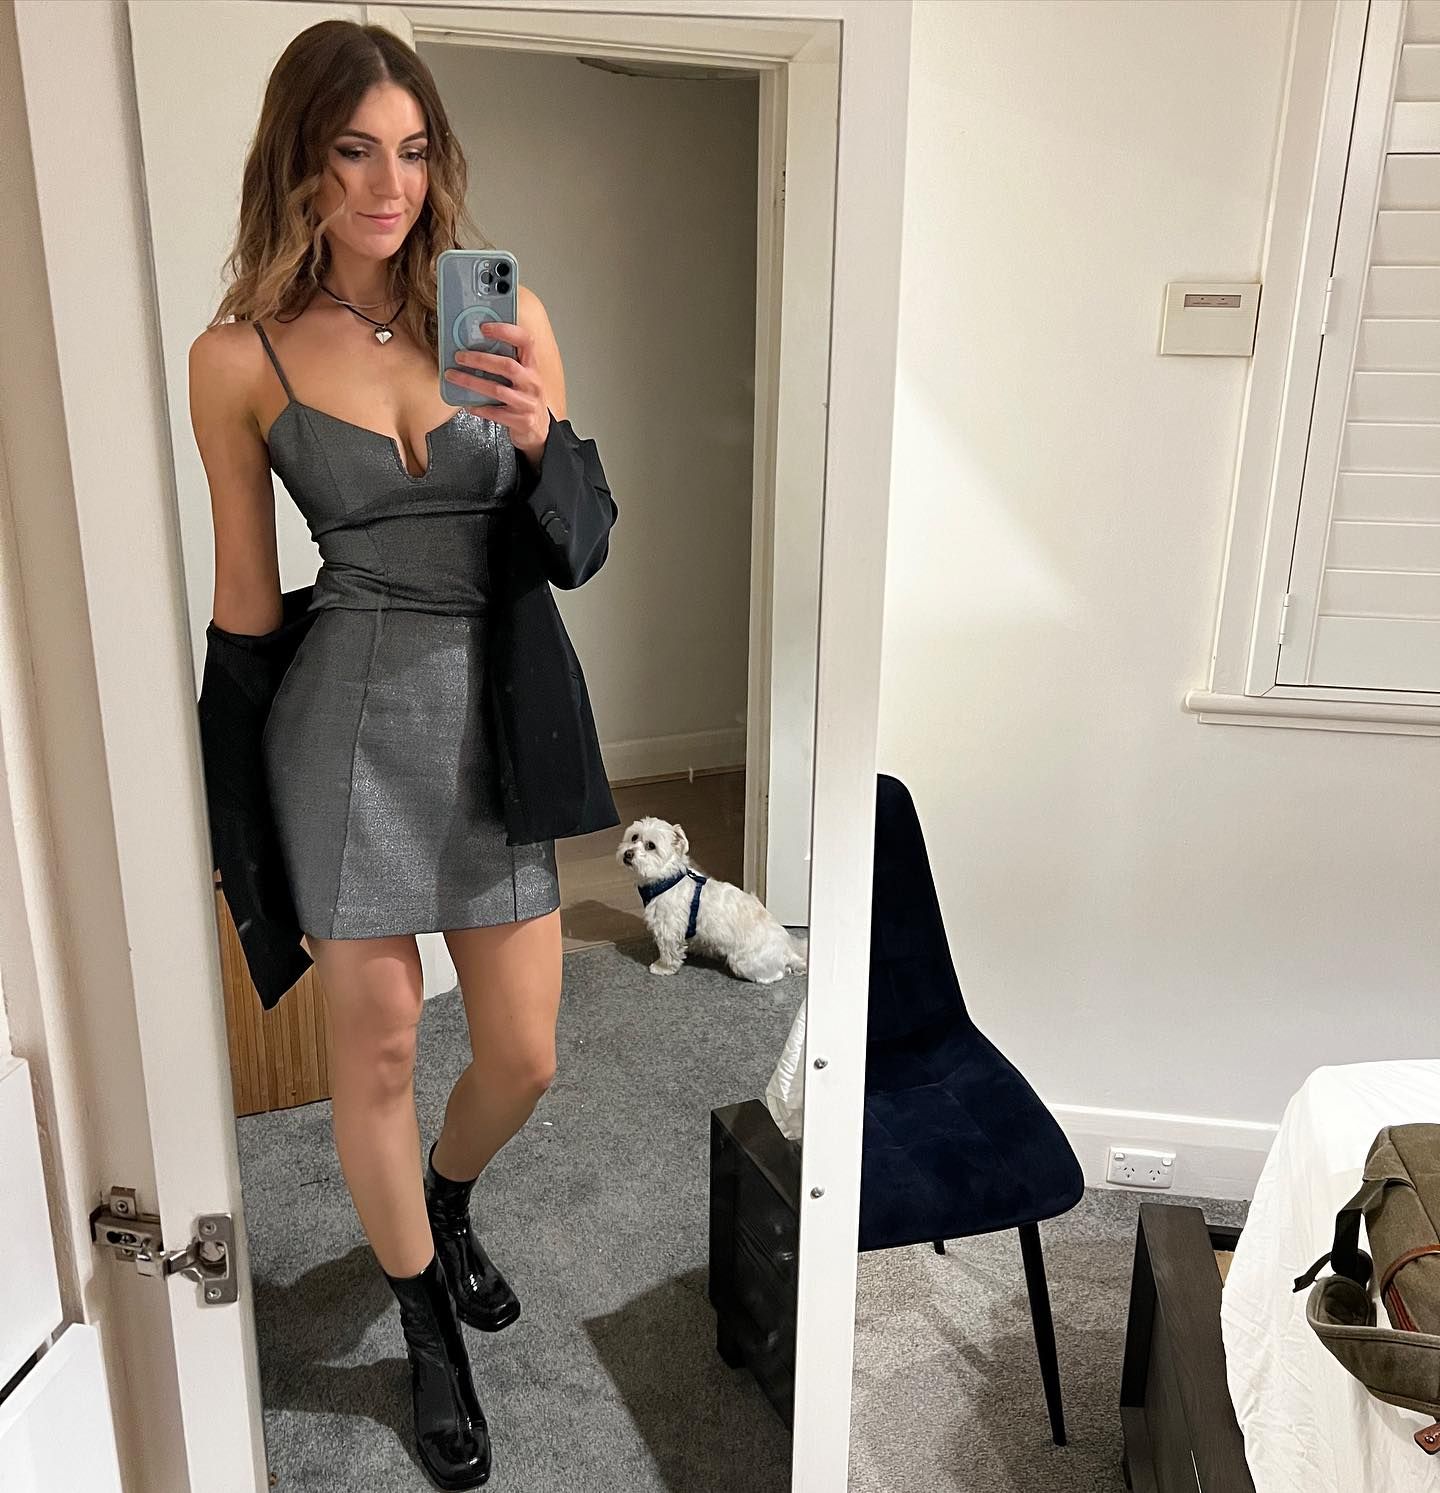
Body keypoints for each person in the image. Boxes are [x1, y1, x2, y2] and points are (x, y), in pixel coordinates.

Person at [188, 20, 616, 1490]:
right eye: (356, 150)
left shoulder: (504, 314)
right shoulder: (237, 358)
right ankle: (426, 1326)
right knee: (373, 1049)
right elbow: (248, 605)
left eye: (414, 150)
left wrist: (545, 437)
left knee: (524, 1052)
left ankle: (448, 1194)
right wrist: (232, 818)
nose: (389, 184)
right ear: (301, 164)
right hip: (342, 729)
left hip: (493, 716)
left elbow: (583, 547)